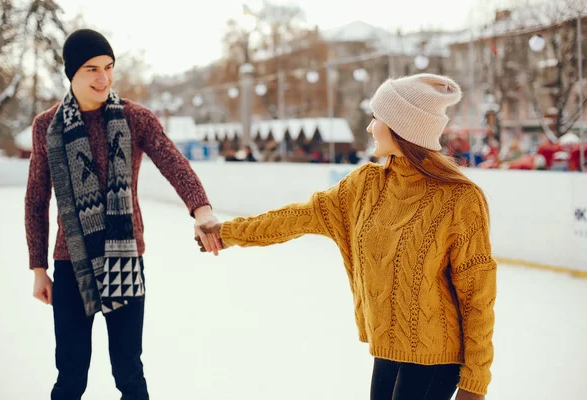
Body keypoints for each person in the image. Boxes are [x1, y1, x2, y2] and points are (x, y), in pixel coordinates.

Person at [197, 74, 496, 400]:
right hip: (387, 349)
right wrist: (227, 233)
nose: (369, 128)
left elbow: (477, 298)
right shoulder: (364, 186)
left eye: (376, 118)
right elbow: (294, 218)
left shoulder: (460, 199)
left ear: (402, 126)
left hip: (437, 356)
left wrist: (474, 383)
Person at [25, 29, 222, 400]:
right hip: (72, 263)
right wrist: (39, 268)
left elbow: (173, 161)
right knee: (70, 375)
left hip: (125, 259)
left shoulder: (135, 118)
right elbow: (36, 198)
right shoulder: (47, 127)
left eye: (109, 67)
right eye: (91, 69)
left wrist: (202, 209)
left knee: (129, 373)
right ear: (71, 73)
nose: (103, 78)